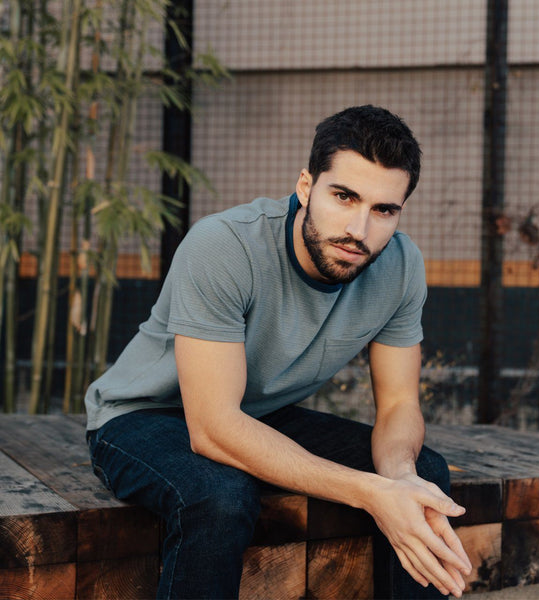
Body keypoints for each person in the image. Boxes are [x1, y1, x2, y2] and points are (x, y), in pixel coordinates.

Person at [85, 105, 472, 599]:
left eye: (383, 210)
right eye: (344, 196)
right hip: (142, 416)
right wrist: (372, 492)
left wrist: (397, 478)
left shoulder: (400, 266)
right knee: (221, 496)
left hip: (257, 413)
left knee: (424, 479)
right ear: (306, 187)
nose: (359, 229)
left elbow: (399, 404)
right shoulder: (225, 246)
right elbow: (213, 428)